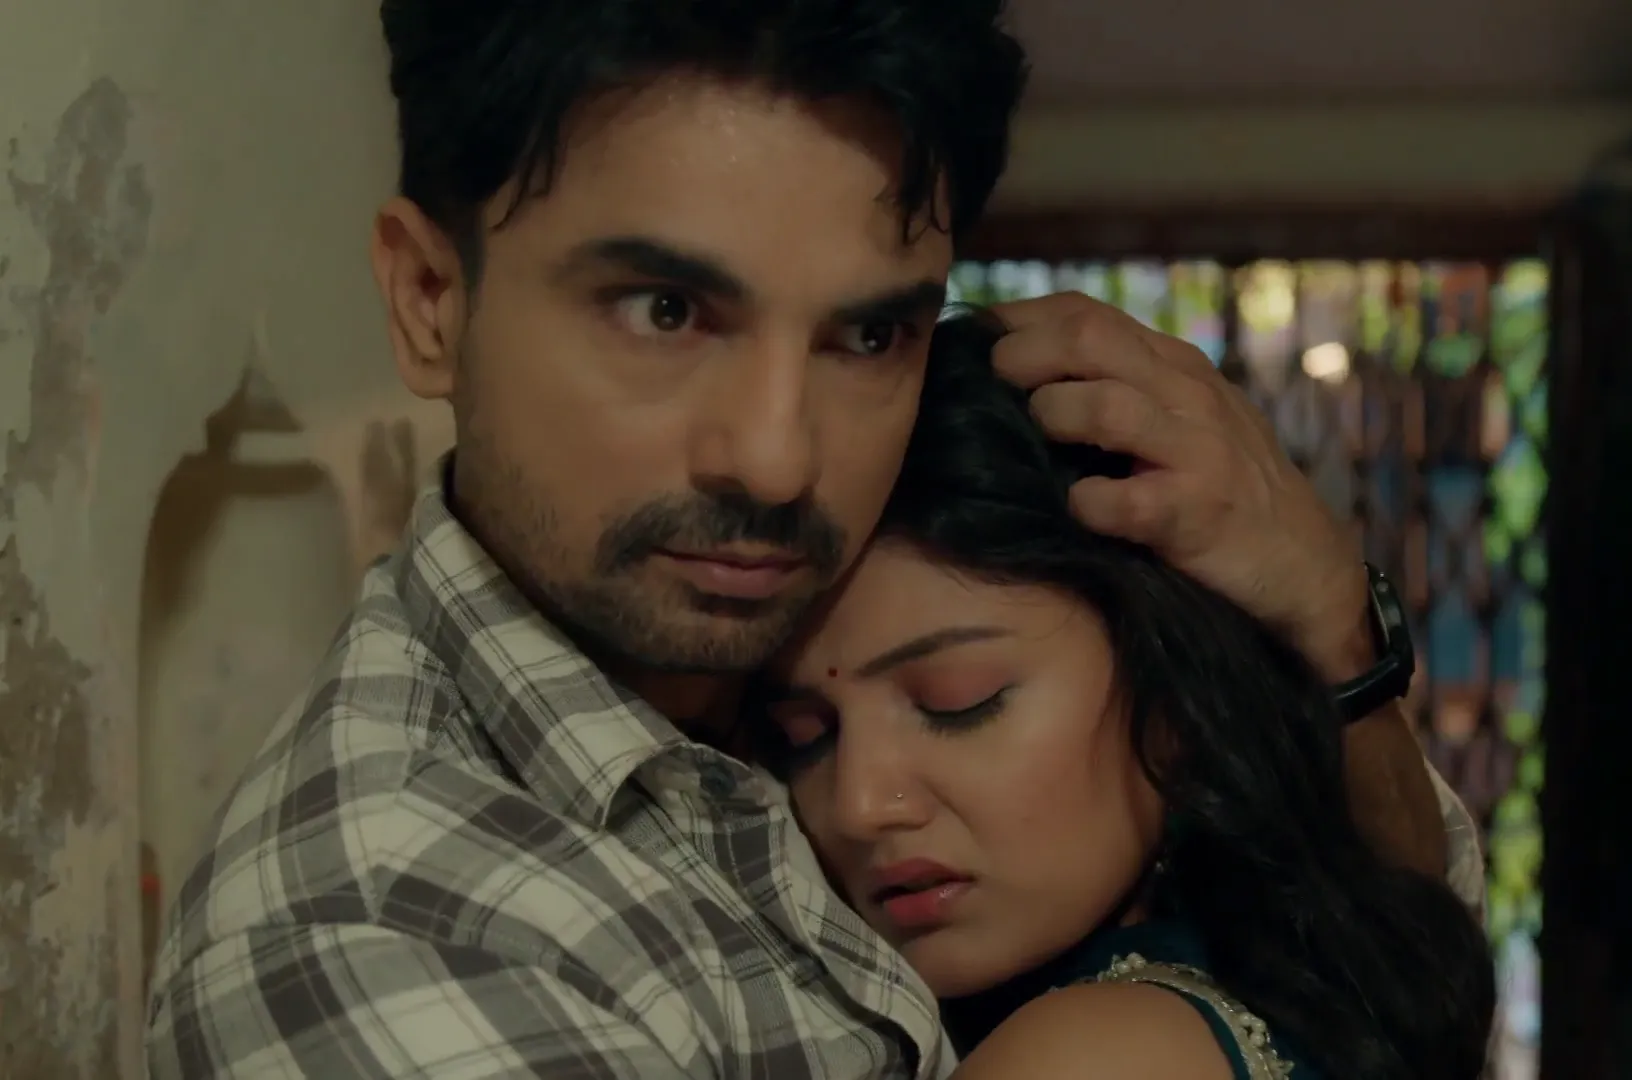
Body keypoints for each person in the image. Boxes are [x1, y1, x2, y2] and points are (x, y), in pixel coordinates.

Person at [145, 2, 1484, 1076]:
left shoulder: (812, 621)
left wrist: (1330, 634)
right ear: (431, 298)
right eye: (666, 312)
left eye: (870, 333)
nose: (780, 457)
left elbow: (1387, 946)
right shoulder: (391, 928)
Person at [760, 311, 1495, 1080]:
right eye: (804, 737)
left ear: (1174, 697)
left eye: (957, 702)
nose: (860, 805)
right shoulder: (1309, 973)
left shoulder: (1084, 1056)